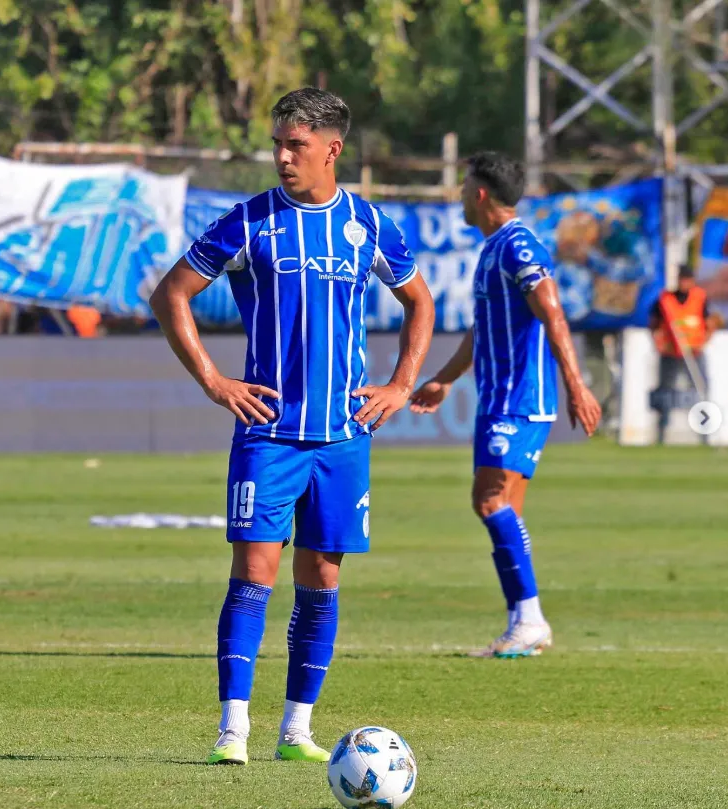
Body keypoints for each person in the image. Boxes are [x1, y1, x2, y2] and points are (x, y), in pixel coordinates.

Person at [149, 88, 434, 765]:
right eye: (277, 143)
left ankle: (297, 730)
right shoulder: (249, 221)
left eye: (295, 145)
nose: (281, 156)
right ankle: (232, 730)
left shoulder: (367, 224)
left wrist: (400, 384)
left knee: (322, 576)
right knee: (254, 571)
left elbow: (419, 302)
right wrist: (214, 381)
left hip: (342, 436)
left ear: (332, 149)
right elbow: (170, 294)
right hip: (269, 434)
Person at [410, 151, 601, 658]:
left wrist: (577, 385)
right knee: (505, 507)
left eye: (463, 188)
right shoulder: (494, 249)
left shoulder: (518, 247)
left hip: (519, 400)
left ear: (479, 194)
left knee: (489, 501)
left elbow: (553, 314)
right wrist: (445, 380)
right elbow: (483, 330)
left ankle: (530, 617)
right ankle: (523, 621)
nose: (459, 198)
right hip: (500, 399)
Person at [649, 265, 720, 444]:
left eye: (687, 279)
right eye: (681, 279)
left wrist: (702, 342)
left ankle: (704, 433)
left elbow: (710, 322)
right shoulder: (665, 299)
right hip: (671, 351)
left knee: (701, 390)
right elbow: (654, 323)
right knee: (665, 391)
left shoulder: (699, 297)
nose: (683, 283)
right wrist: (659, 343)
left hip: (694, 352)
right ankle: (661, 433)